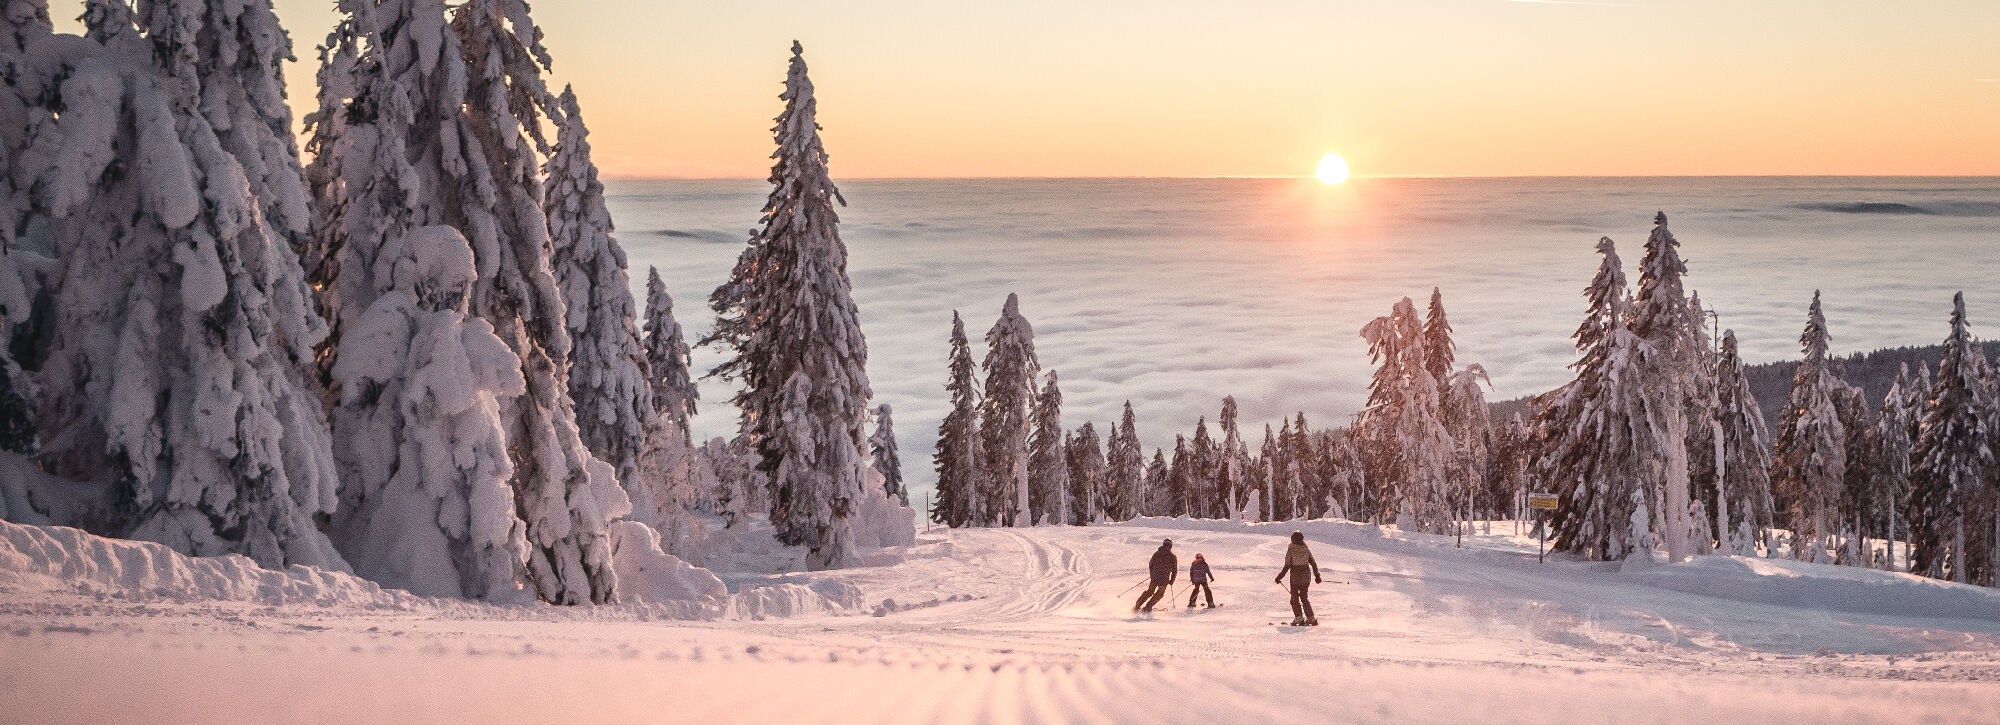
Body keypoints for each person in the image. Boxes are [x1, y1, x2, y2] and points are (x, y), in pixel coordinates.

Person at [1273, 530, 1321, 626]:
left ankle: (1299, 617)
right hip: (1306, 577)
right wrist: (1317, 576)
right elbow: (1313, 563)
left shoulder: (1291, 550)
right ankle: (1311, 618)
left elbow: (1287, 566)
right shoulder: (1306, 549)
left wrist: (1278, 577)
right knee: (1304, 598)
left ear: (1293, 540)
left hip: (1295, 577)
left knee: (1294, 599)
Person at [1133, 538, 1177, 613]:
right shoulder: (1172, 556)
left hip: (1155, 578)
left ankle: (1137, 606)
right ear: (1171, 546)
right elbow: (1174, 570)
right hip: (1164, 579)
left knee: (1150, 591)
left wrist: (1152, 574)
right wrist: (1172, 580)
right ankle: (1148, 607)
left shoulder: (1157, 553)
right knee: (1160, 594)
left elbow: (1151, 564)